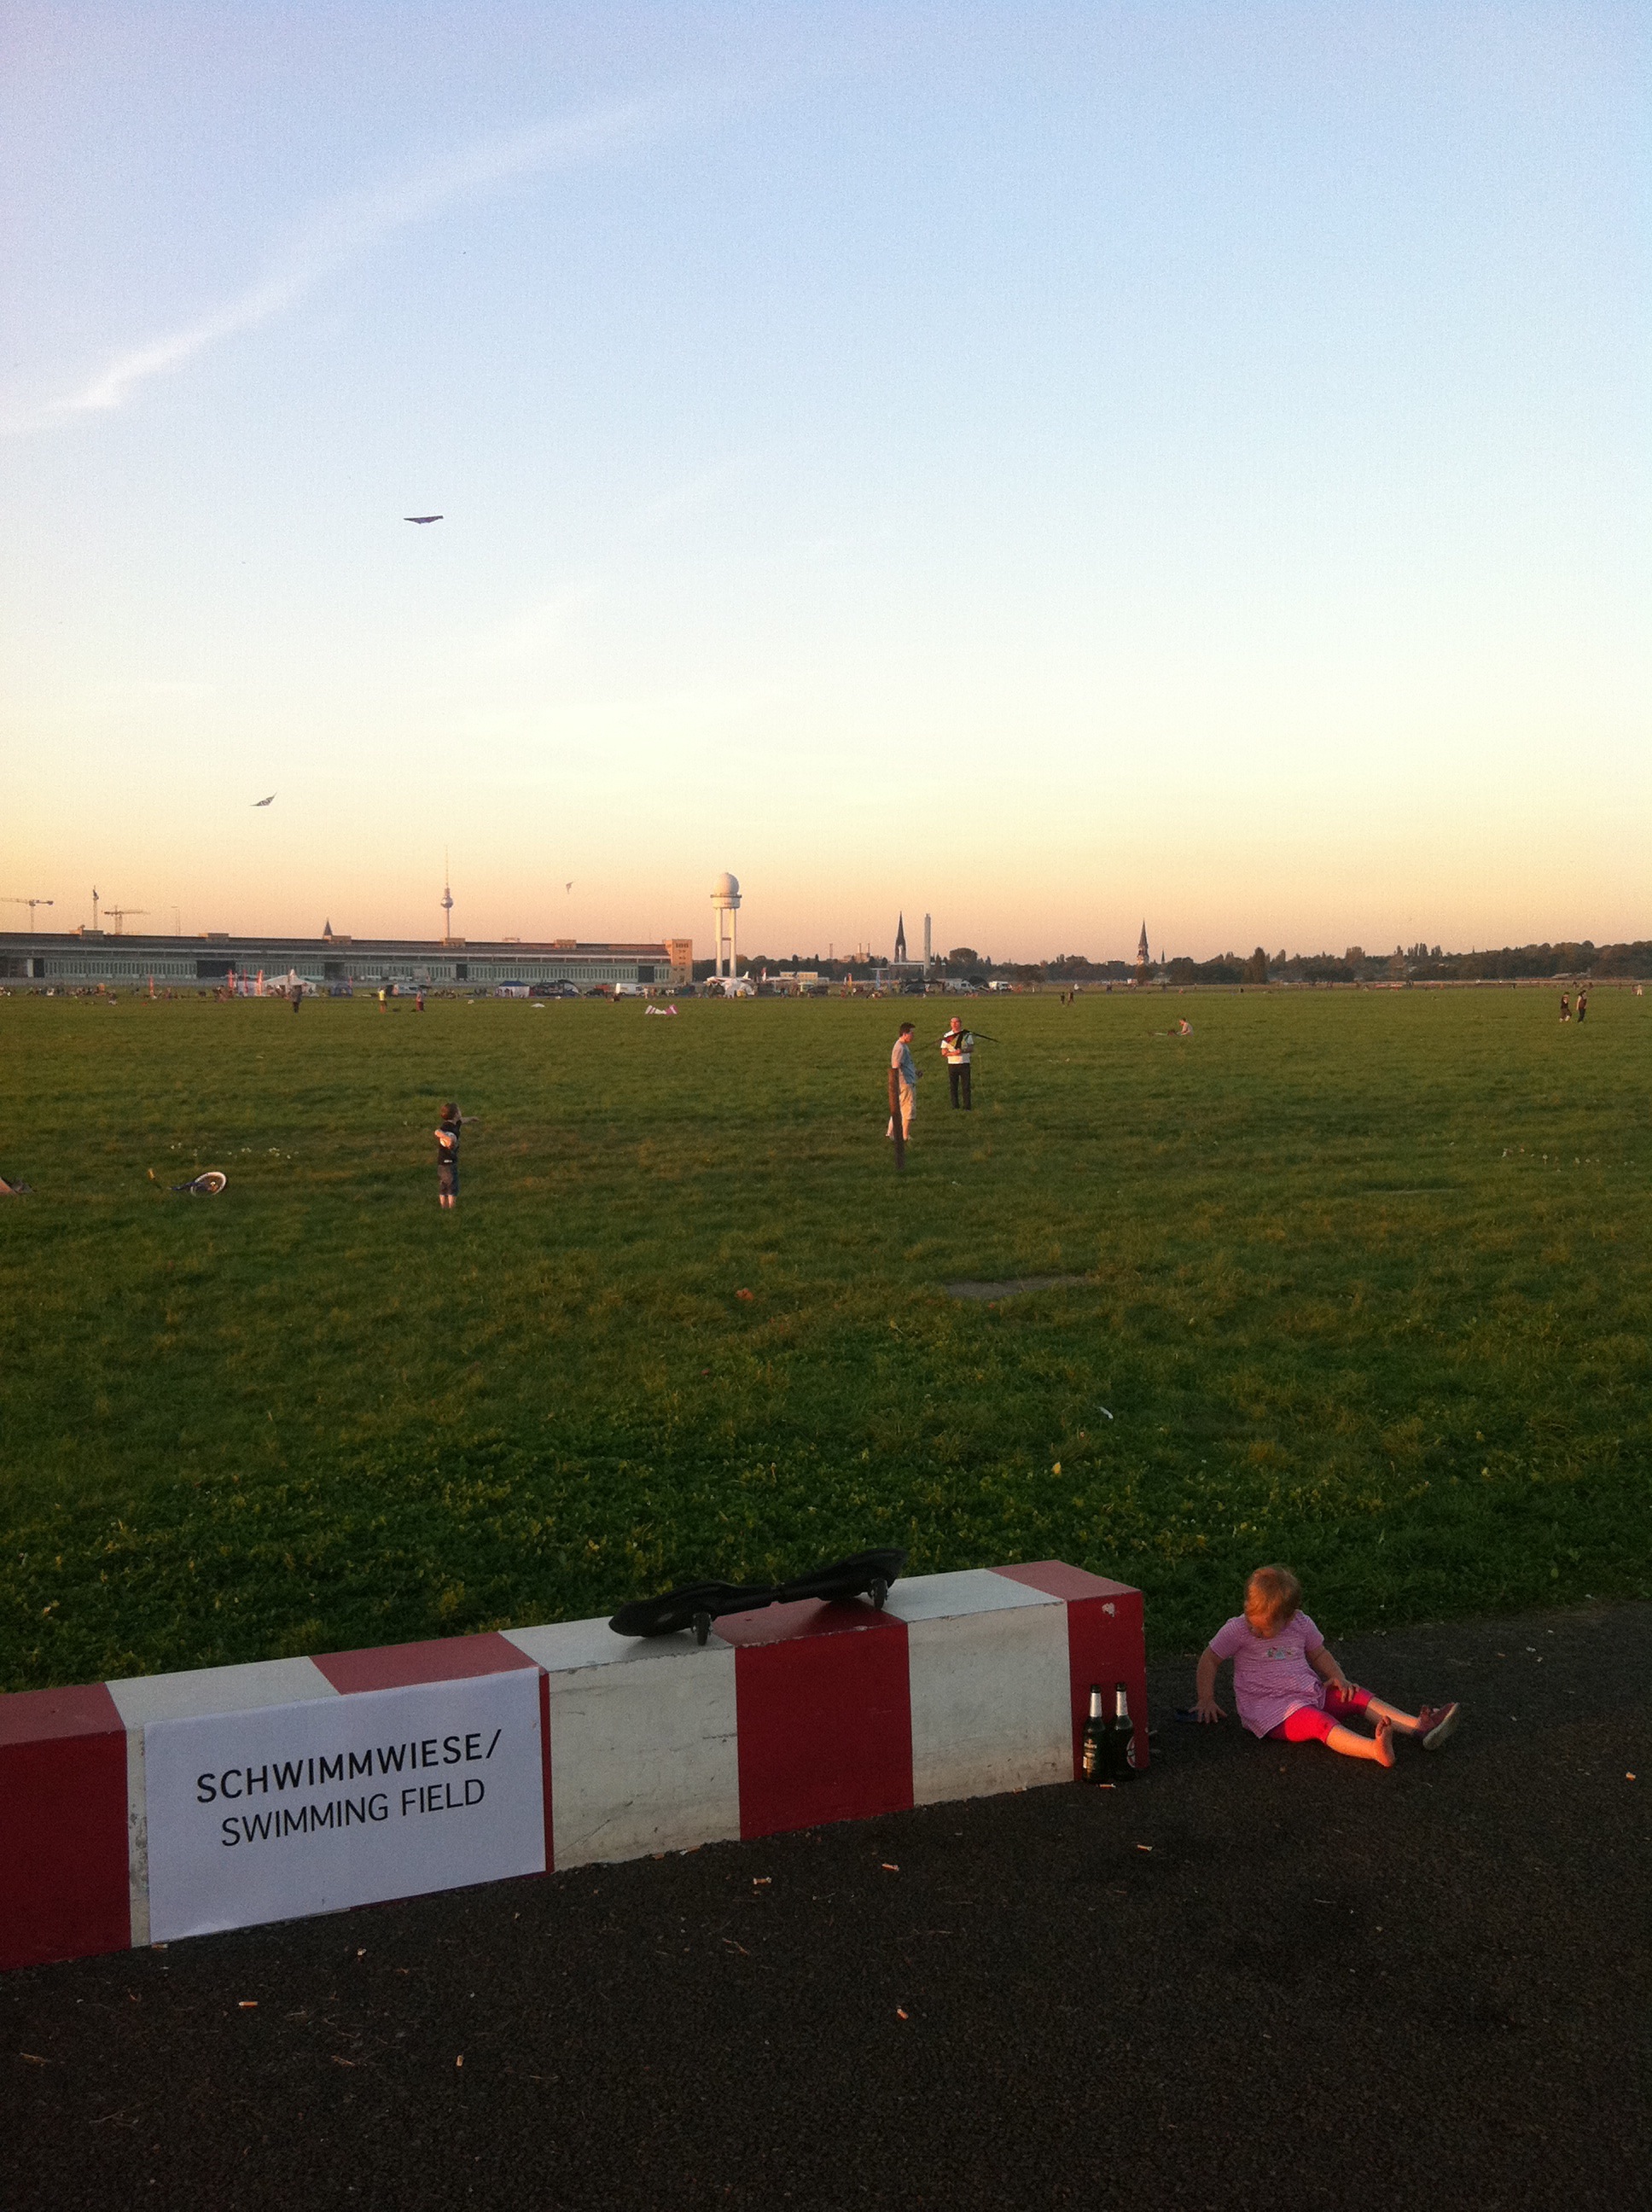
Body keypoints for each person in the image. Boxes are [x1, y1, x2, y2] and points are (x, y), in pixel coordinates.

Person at [1193, 1566, 1458, 1767]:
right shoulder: (1237, 1630)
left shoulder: (1301, 1624)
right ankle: (1374, 1750)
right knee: (1319, 1722)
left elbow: (1319, 1653)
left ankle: (1418, 1727)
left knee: (1354, 1694)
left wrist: (1338, 1677)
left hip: (1309, 1693)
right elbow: (1210, 1659)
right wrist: (1206, 1699)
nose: (1255, 1630)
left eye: (1264, 1628)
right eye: (1252, 1622)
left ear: (1289, 1617)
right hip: (1272, 1711)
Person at [887, 1022, 918, 1142]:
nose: (913, 1036)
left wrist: (915, 1072)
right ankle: (905, 1135)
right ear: (904, 1034)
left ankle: (891, 1133)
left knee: (898, 1108)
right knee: (908, 1109)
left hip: (906, 1081)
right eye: (911, 1033)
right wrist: (903, 1080)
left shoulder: (903, 1046)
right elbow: (896, 1066)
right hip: (905, 1083)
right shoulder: (900, 1048)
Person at [939, 1015, 974, 1109]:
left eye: (956, 1022)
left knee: (966, 1086)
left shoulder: (967, 1034)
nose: (954, 1024)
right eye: (952, 1022)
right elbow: (944, 1052)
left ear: (960, 1023)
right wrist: (954, 1053)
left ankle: (967, 1106)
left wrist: (963, 1051)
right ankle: (955, 1106)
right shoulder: (947, 1036)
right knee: (953, 1086)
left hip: (964, 1063)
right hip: (952, 1064)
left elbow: (971, 1048)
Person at [435, 1103, 462, 1209]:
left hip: (442, 1161)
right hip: (447, 1160)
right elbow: (437, 1132)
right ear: (455, 1114)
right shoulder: (446, 1126)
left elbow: (463, 1120)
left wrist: (472, 1119)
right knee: (452, 1185)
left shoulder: (456, 1123)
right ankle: (451, 1207)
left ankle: (443, 1206)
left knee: (444, 1184)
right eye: (459, 1111)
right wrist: (447, 1138)